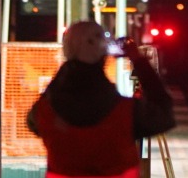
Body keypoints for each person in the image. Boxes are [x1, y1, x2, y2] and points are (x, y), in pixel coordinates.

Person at [26, 21, 174, 178]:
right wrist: (138, 59)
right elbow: (163, 112)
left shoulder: (44, 111)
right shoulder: (126, 112)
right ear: (104, 54)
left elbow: (35, 122)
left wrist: (63, 75)